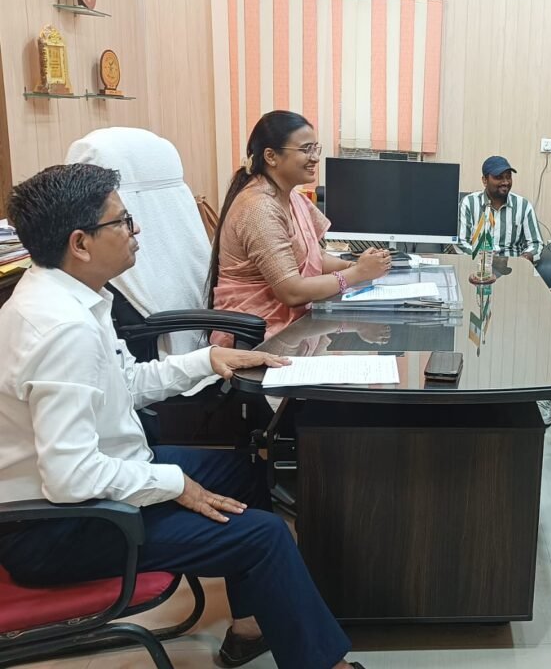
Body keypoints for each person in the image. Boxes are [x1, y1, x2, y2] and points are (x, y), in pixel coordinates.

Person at [0, 164, 364, 669]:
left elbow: (124, 385)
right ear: (80, 244)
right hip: (60, 529)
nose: (137, 230)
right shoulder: (61, 329)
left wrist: (207, 360)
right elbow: (71, 477)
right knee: (265, 535)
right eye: (122, 221)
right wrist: (174, 484)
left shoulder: (73, 297)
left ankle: (251, 626)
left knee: (244, 471)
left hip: (100, 481)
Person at [209, 110, 390, 343]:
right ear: (271, 156)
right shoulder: (259, 209)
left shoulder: (292, 197)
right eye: (306, 150)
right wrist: (357, 274)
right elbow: (291, 292)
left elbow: (315, 257)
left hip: (294, 326)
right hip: (256, 336)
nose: (315, 158)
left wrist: (357, 266)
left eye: (315, 149)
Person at [456, 156, 543, 260]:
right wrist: (485, 259)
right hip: (478, 264)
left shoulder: (523, 206)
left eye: (508, 177)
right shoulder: (469, 203)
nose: (505, 182)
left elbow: (536, 244)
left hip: (513, 265)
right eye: (499, 177)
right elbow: (460, 243)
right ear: (485, 180)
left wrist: (523, 259)